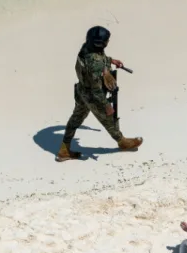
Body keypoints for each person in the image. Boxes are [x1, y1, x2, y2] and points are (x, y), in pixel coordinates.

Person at [56, 26, 143, 162]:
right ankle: (122, 141)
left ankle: (64, 149)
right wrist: (106, 105)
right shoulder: (95, 64)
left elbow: (96, 58)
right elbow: (96, 89)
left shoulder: (86, 48)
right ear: (103, 43)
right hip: (92, 95)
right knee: (108, 119)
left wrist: (110, 60)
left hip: (81, 90)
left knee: (75, 119)